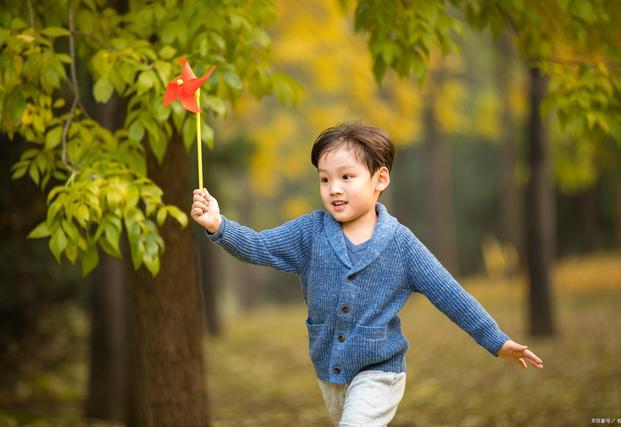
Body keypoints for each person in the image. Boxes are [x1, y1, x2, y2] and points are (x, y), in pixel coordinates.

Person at [191, 122, 544, 426]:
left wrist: (496, 341)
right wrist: (219, 225)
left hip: (381, 371)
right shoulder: (310, 232)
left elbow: (450, 295)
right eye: (325, 179)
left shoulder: (401, 245)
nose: (334, 189)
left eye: (347, 177)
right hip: (329, 373)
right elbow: (259, 246)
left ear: (380, 178)